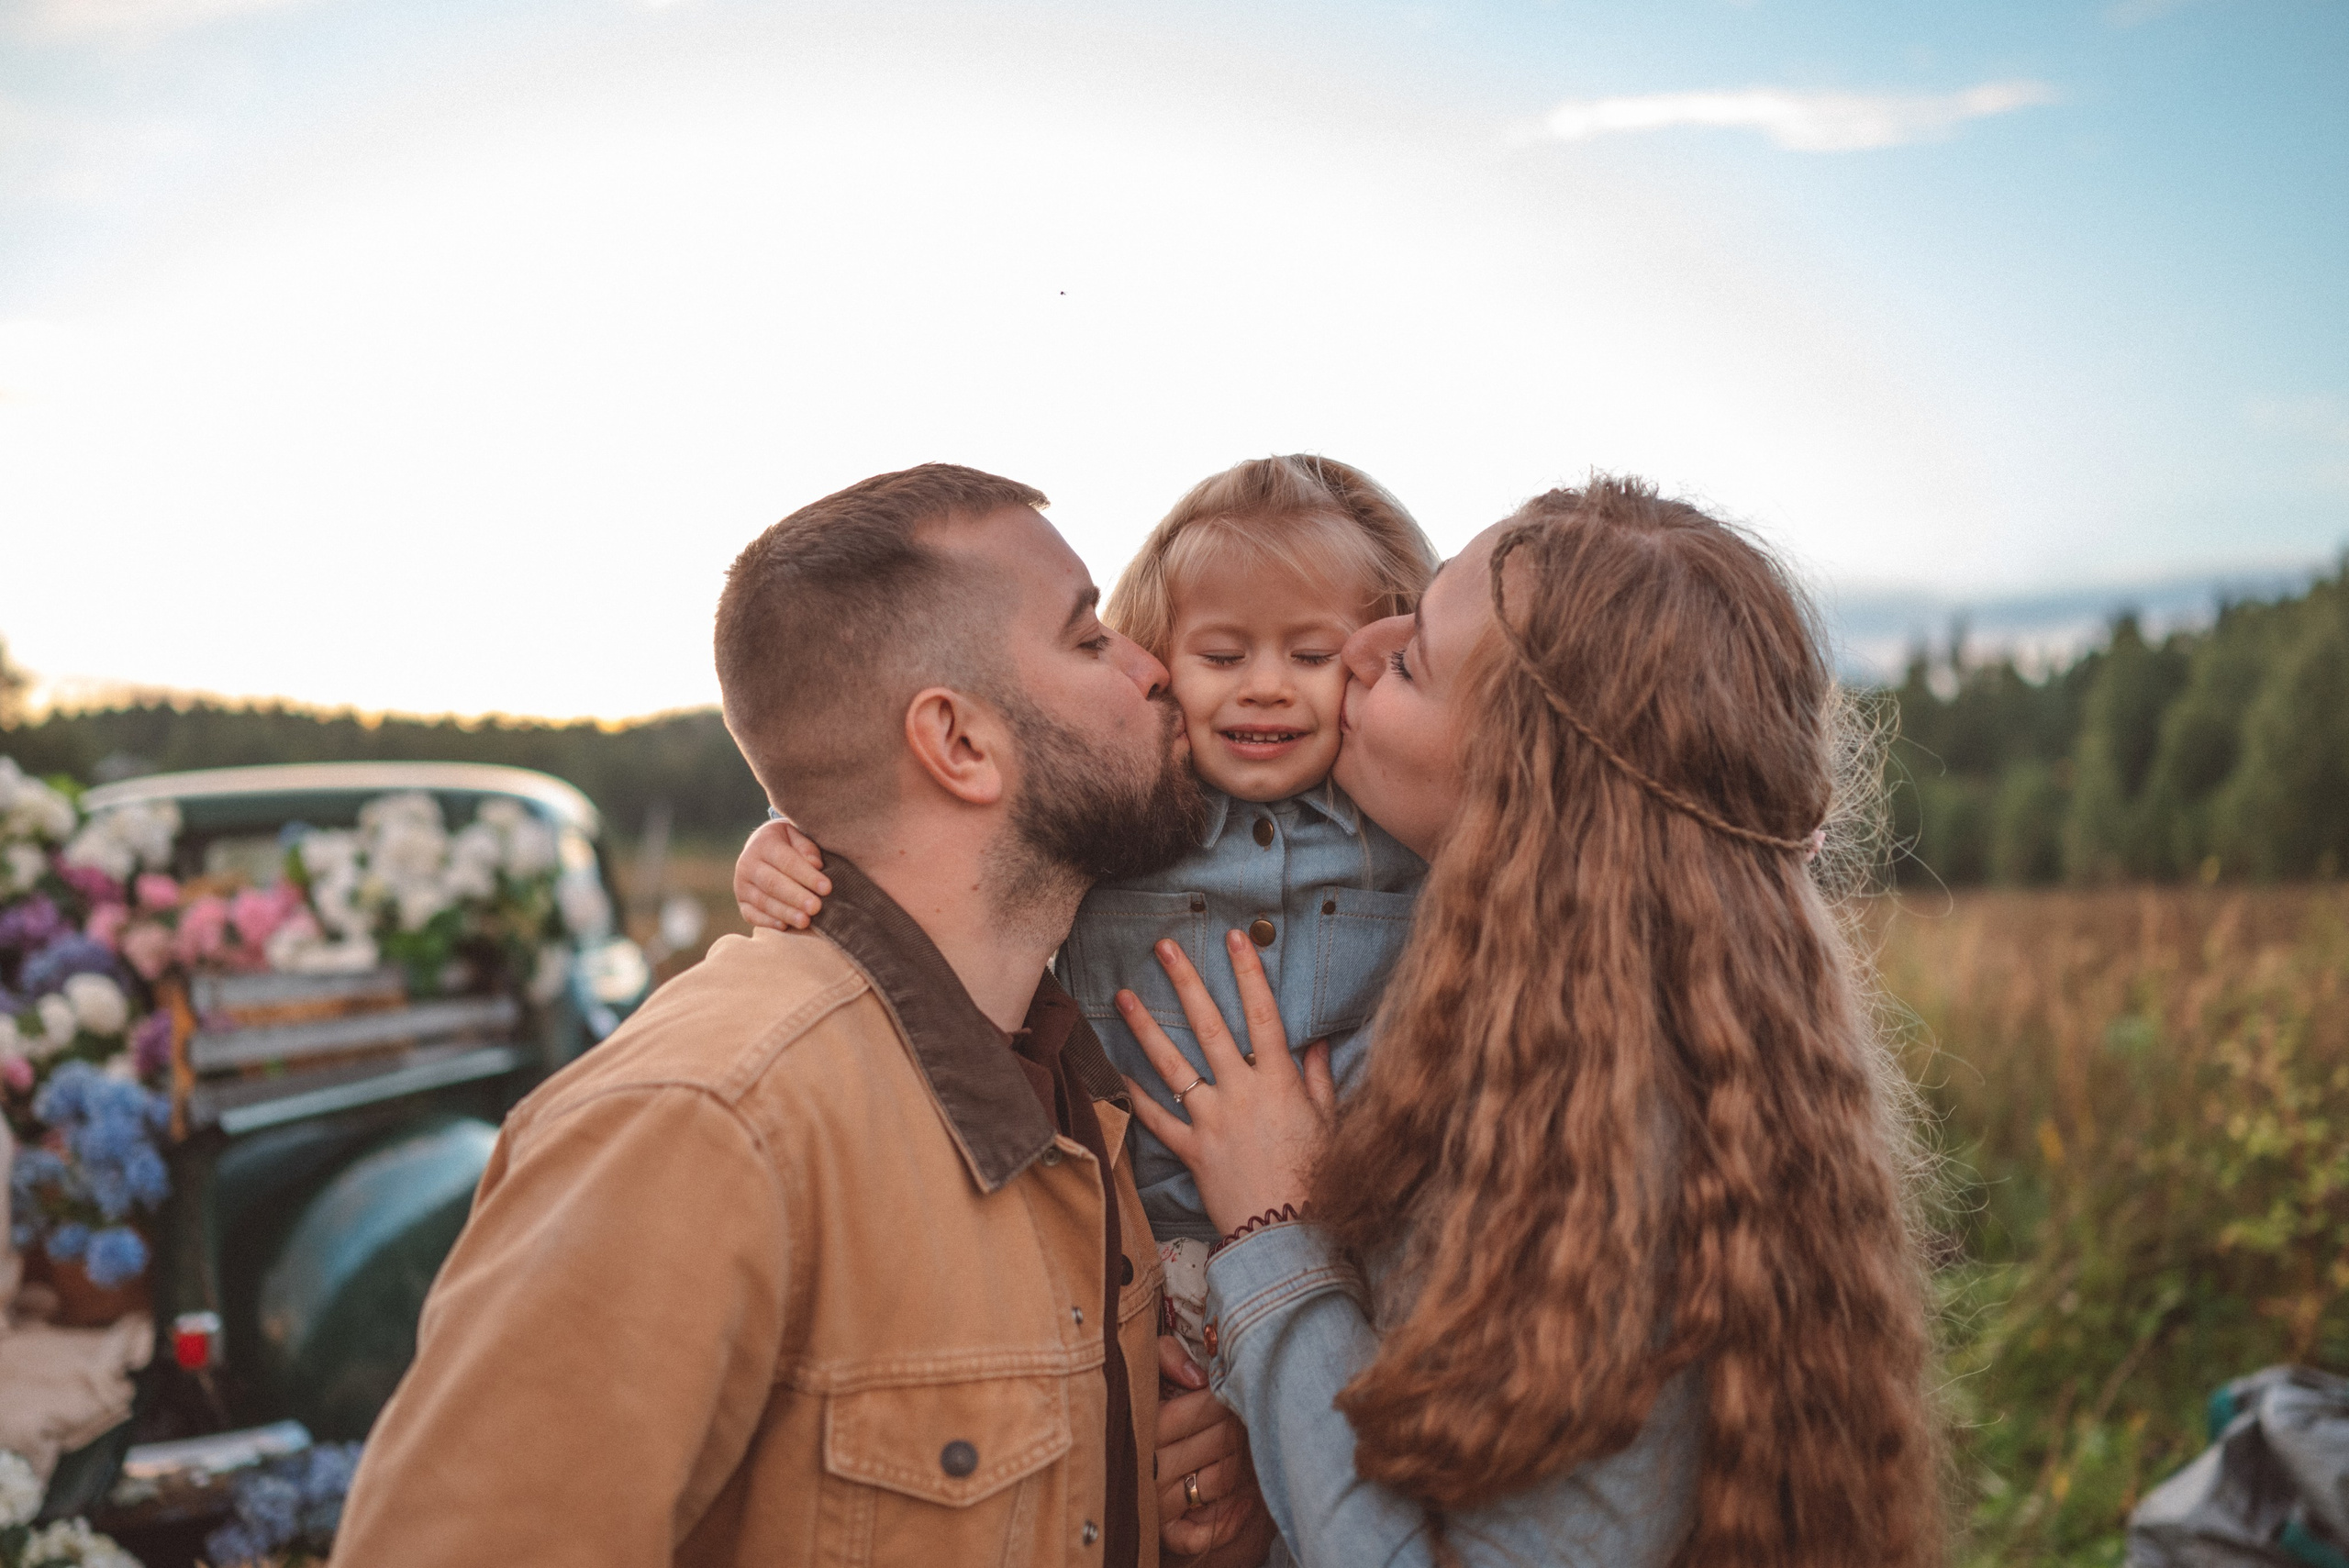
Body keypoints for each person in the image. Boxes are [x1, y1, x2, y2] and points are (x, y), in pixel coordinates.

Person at [335, 463, 1245, 1567]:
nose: (1155, 670)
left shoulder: (1070, 1076)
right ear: (958, 744)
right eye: (1090, 637)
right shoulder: (705, 1122)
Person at [1118, 478, 1946, 1567]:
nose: (1359, 645)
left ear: (1519, 786)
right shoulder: (1520, 1023)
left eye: (1410, 658)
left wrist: (1274, 1233)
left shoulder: (1610, 1156)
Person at [734, 454, 1434, 1556]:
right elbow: (938, 840)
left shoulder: (1401, 833)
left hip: (1356, 1268)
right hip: (1131, 1277)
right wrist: (784, 842)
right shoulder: (1131, 825)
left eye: (1310, 656)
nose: (1263, 686)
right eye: (1218, 654)